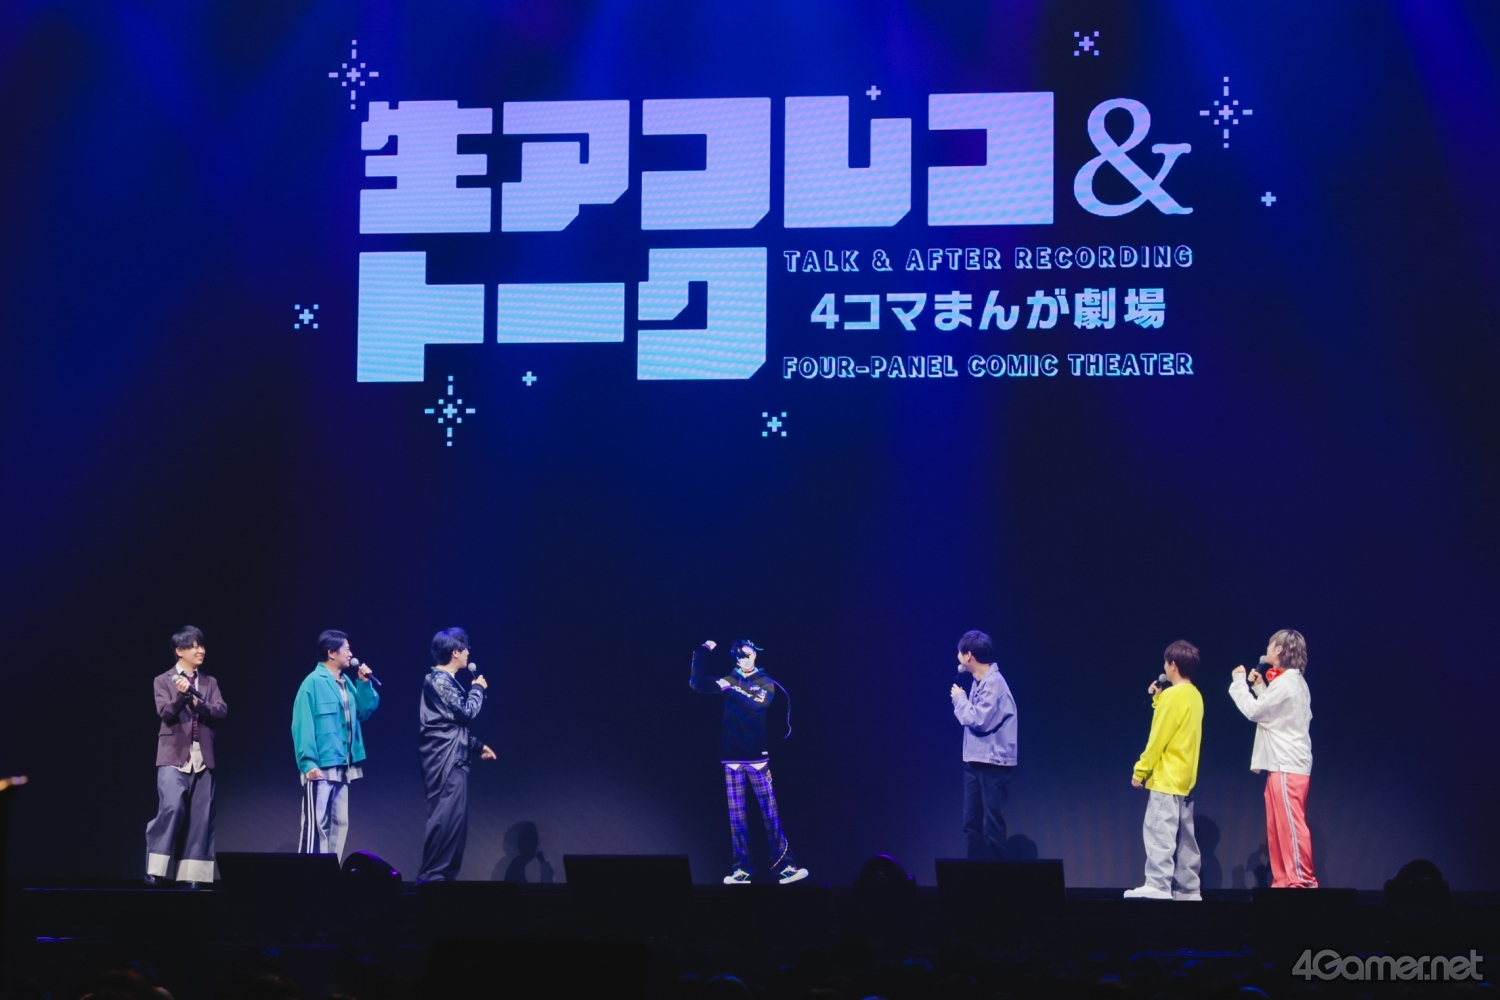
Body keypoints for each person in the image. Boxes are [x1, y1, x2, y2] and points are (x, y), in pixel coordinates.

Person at [690, 639, 808, 885]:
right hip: (731, 758)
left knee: (770, 814)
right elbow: (697, 684)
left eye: (749, 654)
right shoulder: (729, 680)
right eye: (740, 656)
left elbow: (756, 704)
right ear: (735, 658)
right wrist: (703, 652)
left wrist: (730, 688)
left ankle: (785, 866)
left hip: (757, 759)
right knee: (737, 818)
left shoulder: (765, 681)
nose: (745, 658)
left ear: (755, 654)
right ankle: (741, 869)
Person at [1229, 629, 1317, 888]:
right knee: (1277, 827)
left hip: (1288, 763)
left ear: (1279, 650)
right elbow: (1274, 713)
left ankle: (1302, 881)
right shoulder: (1290, 682)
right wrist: (1259, 687)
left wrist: (1239, 683)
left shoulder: (1288, 682)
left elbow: (1255, 712)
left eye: (1270, 645)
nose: (1266, 649)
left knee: (1291, 826)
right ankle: (1283, 880)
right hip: (1280, 763)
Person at [144, 625, 228, 887]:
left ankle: (192, 875)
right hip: (173, 755)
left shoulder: (209, 682)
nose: (200, 650)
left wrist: (198, 703)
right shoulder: (163, 680)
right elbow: (165, 712)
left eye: (201, 646)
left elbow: (221, 710)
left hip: (203, 757)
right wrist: (182, 697)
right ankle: (155, 869)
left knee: (201, 816)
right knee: (171, 808)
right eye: (193, 646)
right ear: (179, 651)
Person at [1125, 640, 1204, 900]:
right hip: (1186, 777)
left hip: (1167, 776)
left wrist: (1140, 771)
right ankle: (1188, 889)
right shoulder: (1194, 695)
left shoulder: (1173, 696)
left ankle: (1158, 884)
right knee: (1185, 835)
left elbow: (1158, 737)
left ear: (1173, 665)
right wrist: (1158, 700)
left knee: (1159, 829)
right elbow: (1179, 726)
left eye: (1166, 663)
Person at [291, 630, 379, 859]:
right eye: (346, 649)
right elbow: (302, 724)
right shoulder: (312, 683)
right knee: (316, 824)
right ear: (331, 652)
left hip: (343, 763)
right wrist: (308, 763)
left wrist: (364, 685)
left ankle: (331, 872)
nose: (351, 654)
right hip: (320, 765)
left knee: (340, 823)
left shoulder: (347, 682)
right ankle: (308, 874)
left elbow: (364, 711)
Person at [417, 627, 495, 883]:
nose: (468, 652)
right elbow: (465, 714)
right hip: (445, 760)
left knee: (456, 822)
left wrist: (477, 746)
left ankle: (443, 878)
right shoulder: (439, 680)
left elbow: (449, 725)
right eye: (465, 648)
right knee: (446, 819)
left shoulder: (446, 681)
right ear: (455, 652)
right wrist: (478, 689)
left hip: (454, 755)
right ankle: (432, 878)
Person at [949, 630, 1018, 861]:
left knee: (992, 825)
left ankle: (995, 877)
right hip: (974, 760)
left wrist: (959, 699)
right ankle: (973, 874)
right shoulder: (978, 682)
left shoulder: (994, 682)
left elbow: (979, 720)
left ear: (968, 655)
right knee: (971, 824)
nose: (958, 657)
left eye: (960, 653)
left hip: (993, 762)